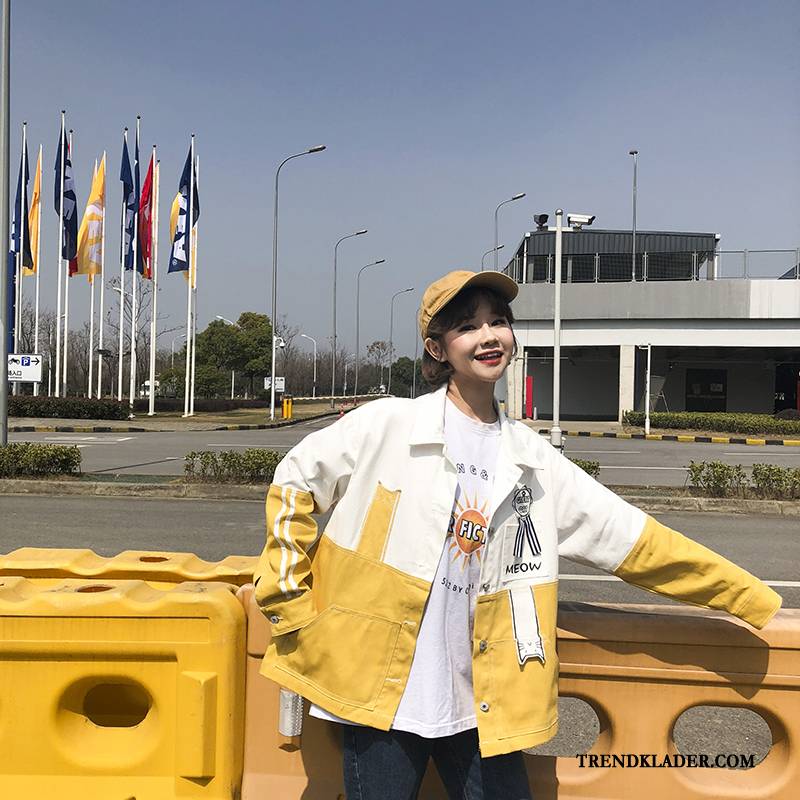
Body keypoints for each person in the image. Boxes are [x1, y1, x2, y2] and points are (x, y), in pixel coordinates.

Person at [254, 270, 781, 800]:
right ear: (438, 349)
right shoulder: (386, 425)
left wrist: (750, 598)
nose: (488, 336)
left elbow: (636, 542)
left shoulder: (535, 462)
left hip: (485, 691)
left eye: (498, 322)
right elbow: (295, 483)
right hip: (375, 685)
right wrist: (286, 601)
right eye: (467, 327)